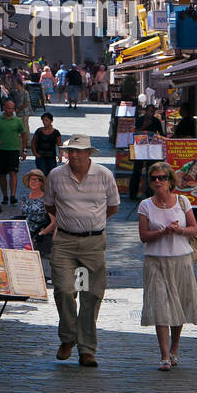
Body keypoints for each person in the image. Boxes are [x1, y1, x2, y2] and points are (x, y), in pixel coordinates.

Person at [44, 134, 120, 367]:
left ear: (89, 153)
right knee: (65, 289)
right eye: (71, 151)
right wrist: (72, 221)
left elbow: (113, 207)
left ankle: (87, 349)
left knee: (91, 295)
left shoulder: (104, 175)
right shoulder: (56, 175)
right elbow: (50, 205)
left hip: (93, 244)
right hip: (65, 242)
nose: (74, 155)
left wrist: (91, 223)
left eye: (79, 151)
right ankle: (68, 337)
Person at [138, 162, 197, 370]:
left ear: (170, 181)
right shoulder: (145, 205)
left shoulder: (183, 202)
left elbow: (193, 228)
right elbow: (143, 236)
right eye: (154, 178)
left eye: (162, 178)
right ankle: (164, 355)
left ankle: (175, 348)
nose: (158, 181)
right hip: (155, 261)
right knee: (160, 306)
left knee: (180, 305)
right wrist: (161, 233)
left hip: (181, 260)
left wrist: (179, 231)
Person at [0, 96, 29, 205]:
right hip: (1, 151)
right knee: (2, 174)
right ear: (4, 108)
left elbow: (24, 134)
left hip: (13, 150)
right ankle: (5, 195)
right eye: (9, 108)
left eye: (12, 108)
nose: (11, 111)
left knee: (13, 173)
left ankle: (13, 195)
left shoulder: (17, 121)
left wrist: (24, 150)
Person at [19, 169, 56, 279]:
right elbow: (21, 215)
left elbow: (54, 222)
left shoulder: (46, 199)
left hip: (39, 230)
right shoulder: (26, 197)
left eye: (36, 180)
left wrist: (42, 233)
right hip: (24, 230)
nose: (33, 182)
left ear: (41, 183)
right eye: (31, 180)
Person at [128, 101, 166, 204]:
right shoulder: (139, 120)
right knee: (137, 171)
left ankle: (149, 193)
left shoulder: (156, 121)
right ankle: (133, 193)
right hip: (139, 148)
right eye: (148, 111)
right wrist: (145, 125)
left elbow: (161, 134)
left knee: (150, 171)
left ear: (154, 113)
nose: (150, 113)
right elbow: (133, 132)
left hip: (151, 150)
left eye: (152, 111)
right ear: (145, 111)